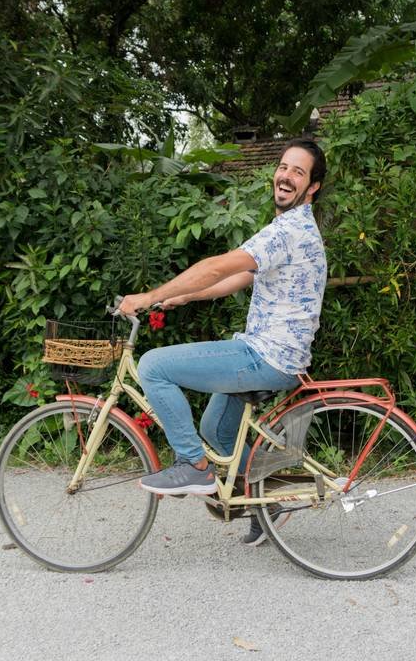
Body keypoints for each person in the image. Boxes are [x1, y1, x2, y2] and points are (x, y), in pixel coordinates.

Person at [116, 139, 327, 545]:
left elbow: (216, 266)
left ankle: (193, 467)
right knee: (216, 429)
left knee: (154, 366)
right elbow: (244, 276)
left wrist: (149, 297)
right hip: (275, 353)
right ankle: (265, 501)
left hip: (266, 356)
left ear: (312, 187)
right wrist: (188, 295)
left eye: (298, 172)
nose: (286, 176)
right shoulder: (290, 229)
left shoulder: (289, 230)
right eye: (283, 167)